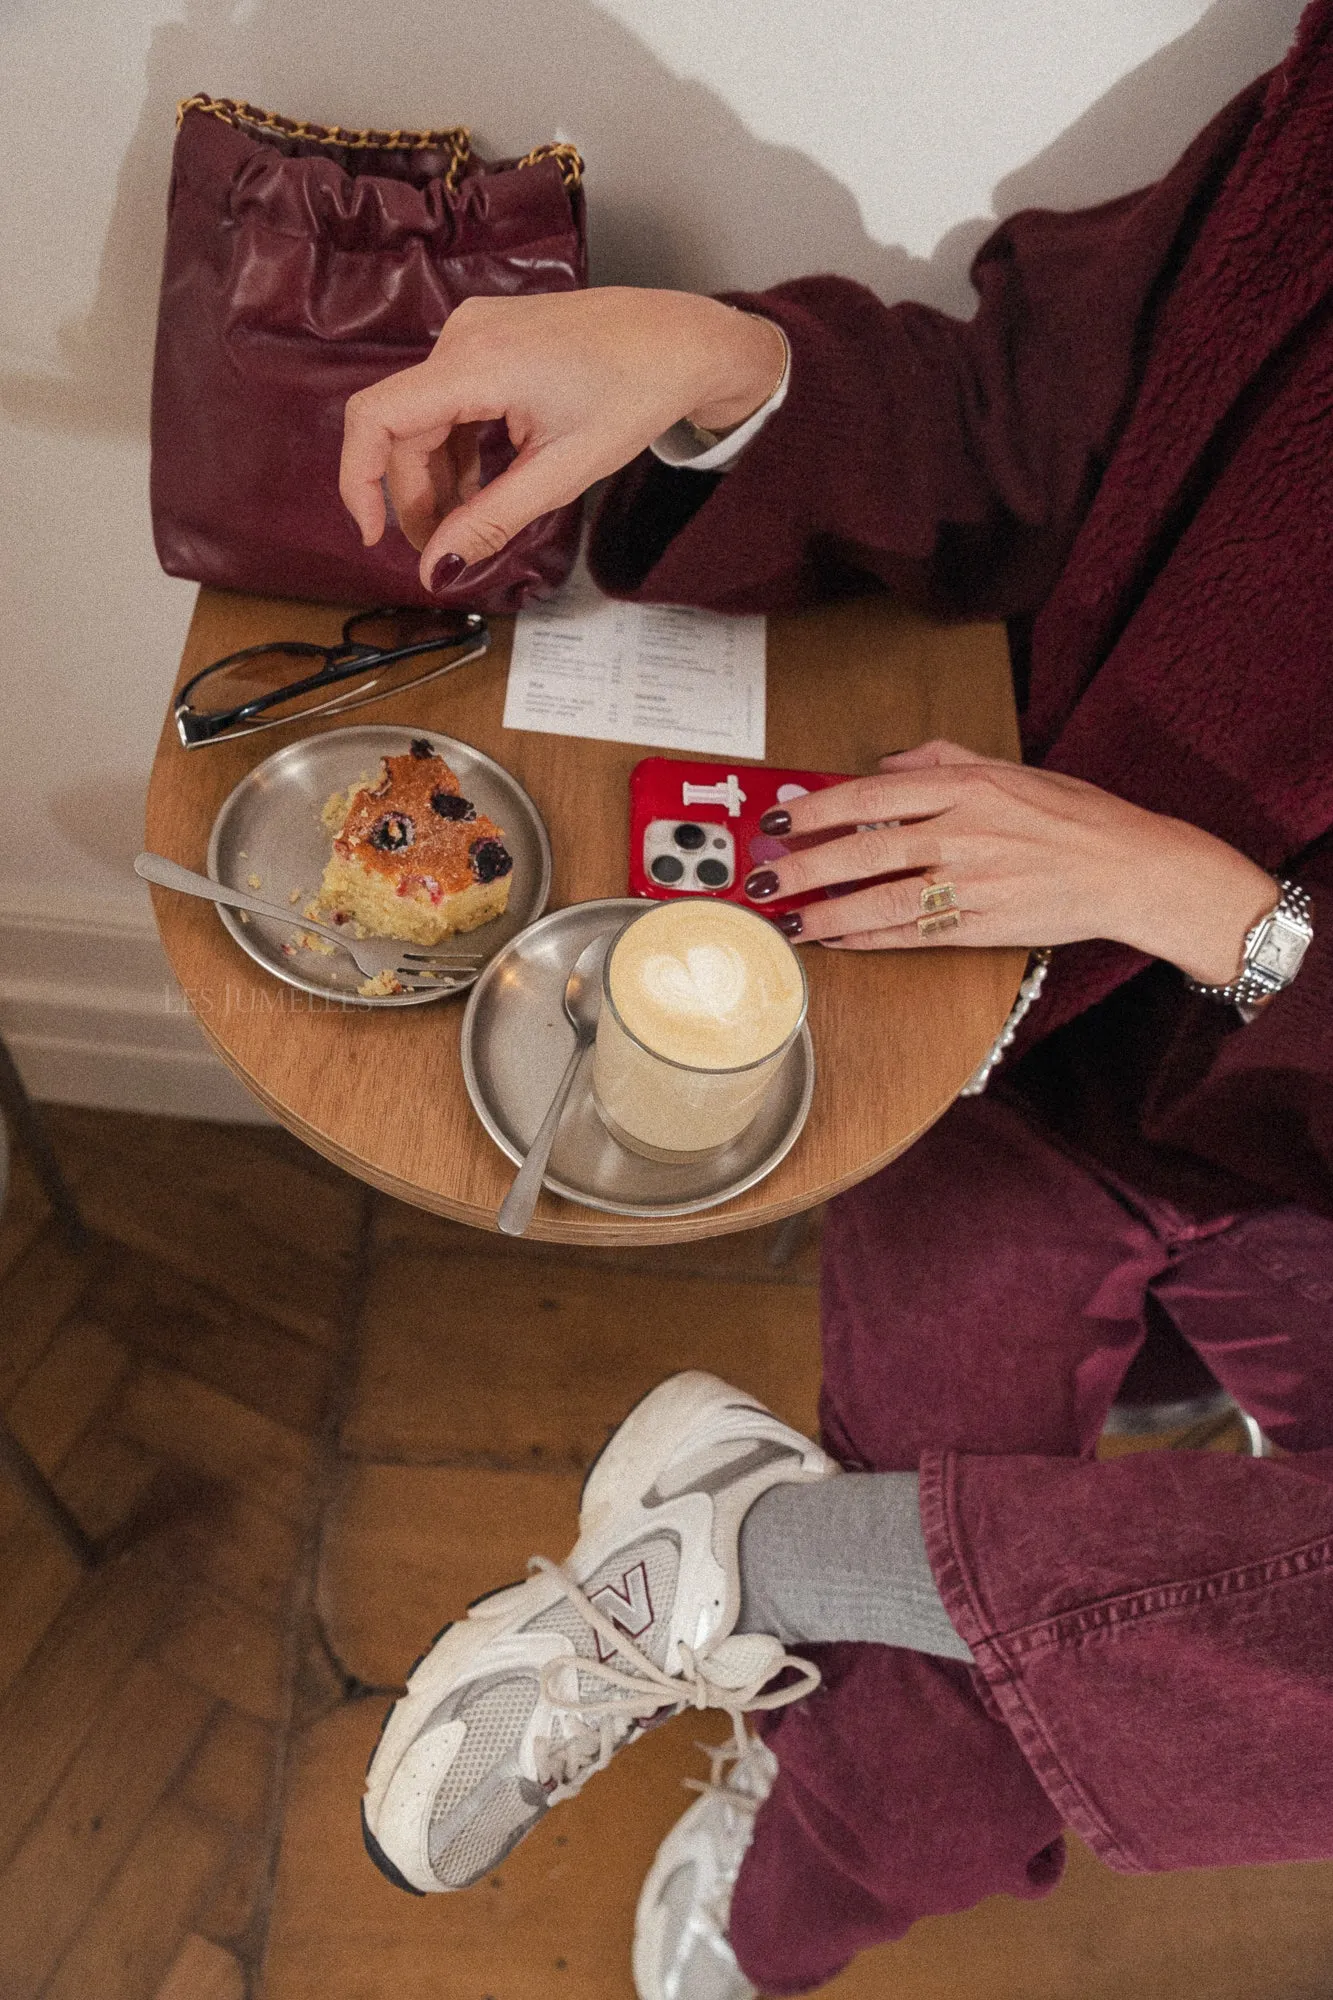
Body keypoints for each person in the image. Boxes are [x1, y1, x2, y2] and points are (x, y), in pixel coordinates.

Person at [339, 4, 1333, 1995]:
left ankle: (742, 1562)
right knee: (962, 1723)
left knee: (965, 1650)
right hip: (1037, 1019)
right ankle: (789, 1833)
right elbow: (1024, 421)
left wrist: (1222, 910)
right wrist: (726, 368)